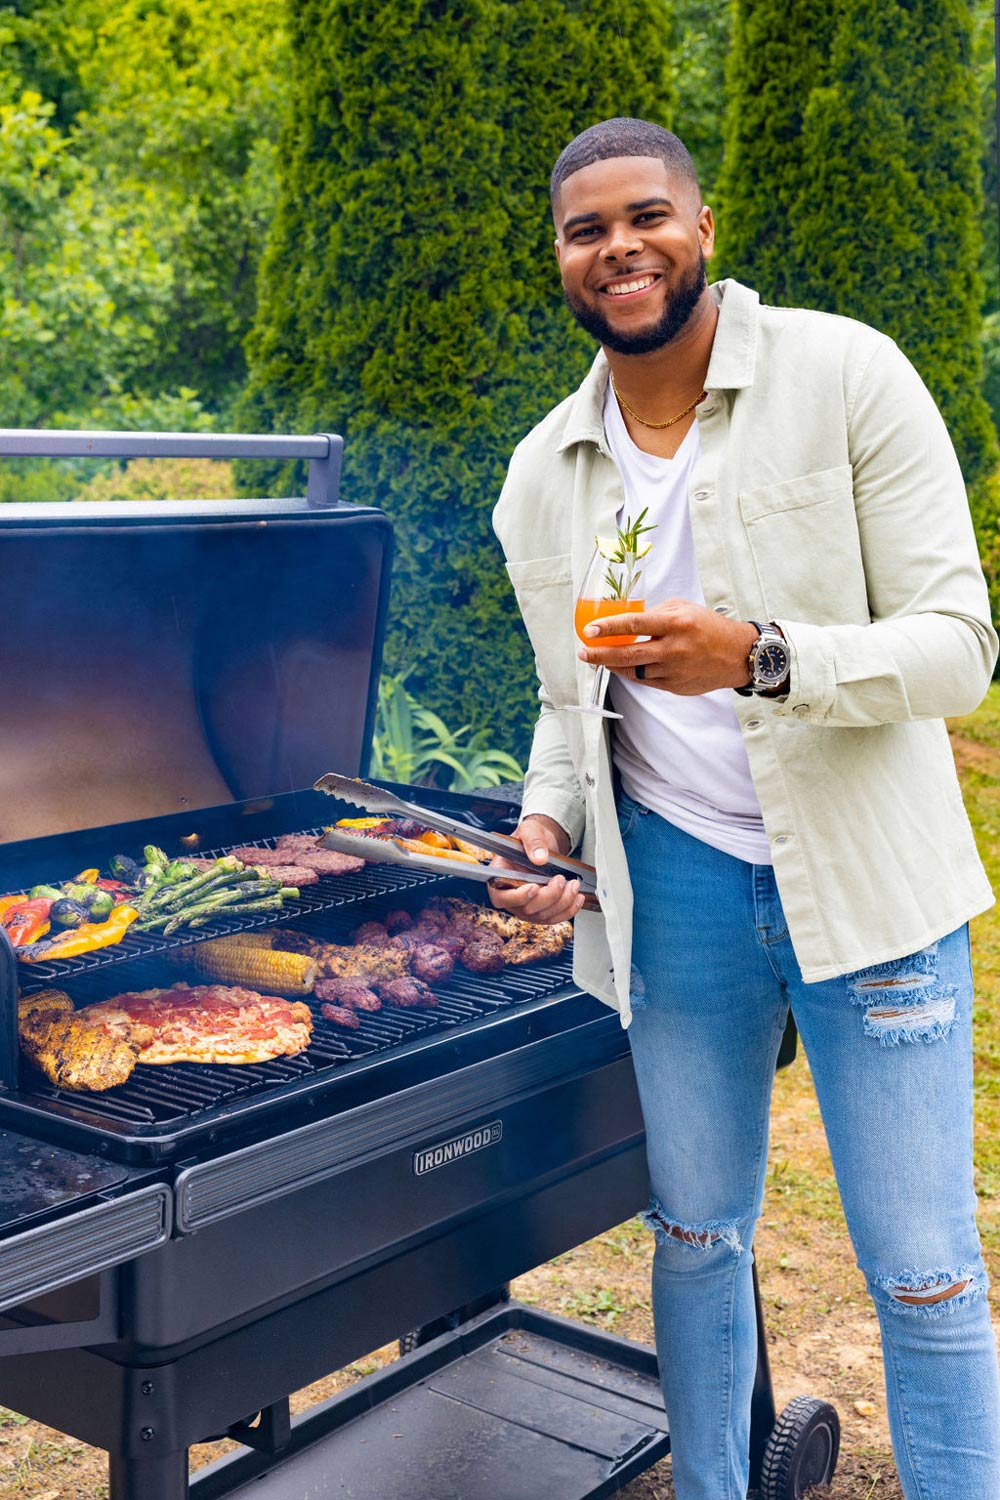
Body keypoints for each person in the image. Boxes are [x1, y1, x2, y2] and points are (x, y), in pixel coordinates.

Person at [489, 116, 1000, 1500]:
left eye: (646, 216)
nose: (620, 249)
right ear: (561, 257)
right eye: (587, 230)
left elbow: (962, 643)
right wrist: (551, 827)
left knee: (926, 1266)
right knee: (697, 1236)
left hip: (866, 882)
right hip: (679, 892)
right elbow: (563, 703)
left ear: (701, 229)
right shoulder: (543, 474)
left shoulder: (843, 374)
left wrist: (764, 655)